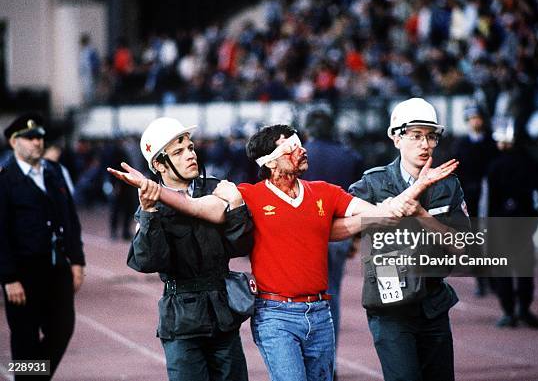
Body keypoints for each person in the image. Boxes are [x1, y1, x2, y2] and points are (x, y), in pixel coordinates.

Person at [108, 123, 458, 381]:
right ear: (271, 161)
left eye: (190, 146)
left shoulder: (320, 192)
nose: (303, 151)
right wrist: (152, 196)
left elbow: (378, 213)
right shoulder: (247, 194)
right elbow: (197, 220)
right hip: (266, 315)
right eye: (292, 147)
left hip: (313, 313)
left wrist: (417, 191)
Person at [349, 98, 470, 381]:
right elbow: (340, 227)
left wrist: (421, 214)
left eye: (430, 137)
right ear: (395, 138)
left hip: (434, 301)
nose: (424, 144)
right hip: (390, 304)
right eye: (415, 136)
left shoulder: (449, 185)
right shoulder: (372, 184)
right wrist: (383, 214)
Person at [127, 117, 253, 381]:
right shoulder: (153, 203)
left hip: (223, 314)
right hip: (182, 321)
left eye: (190, 148)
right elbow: (149, 262)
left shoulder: (216, 188)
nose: (190, 155)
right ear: (159, 164)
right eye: (178, 151)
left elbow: (241, 245)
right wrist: (149, 213)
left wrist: (238, 206)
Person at [0, 114, 85, 380]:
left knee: (62, 328)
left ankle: (33, 378)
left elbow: (70, 218)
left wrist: (77, 261)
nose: (38, 142)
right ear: (14, 142)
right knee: (25, 337)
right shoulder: (4, 180)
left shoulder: (54, 171)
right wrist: (8, 278)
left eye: (40, 137)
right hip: (24, 272)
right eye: (30, 138)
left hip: (57, 267)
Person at [300, 109, 363, 374]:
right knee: (332, 296)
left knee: (298, 299)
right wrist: (357, 237)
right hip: (340, 231)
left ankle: (302, 361)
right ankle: (329, 364)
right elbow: (360, 196)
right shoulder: (349, 156)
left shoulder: (298, 153)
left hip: (302, 235)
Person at [487, 121, 538, 328]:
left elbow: (489, 200)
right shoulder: (533, 163)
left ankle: (508, 311)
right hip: (525, 223)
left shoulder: (496, 165)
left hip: (501, 224)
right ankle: (524, 308)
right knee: (524, 267)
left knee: (503, 269)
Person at [452, 105, 498, 296]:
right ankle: (481, 279)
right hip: (470, 199)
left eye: (478, 118)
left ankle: (496, 281)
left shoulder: (492, 143)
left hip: (493, 198)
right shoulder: (461, 144)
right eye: (472, 118)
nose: (475, 121)